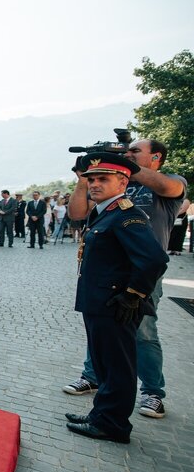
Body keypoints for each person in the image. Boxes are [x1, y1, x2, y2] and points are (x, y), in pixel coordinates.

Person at [63, 139, 187, 419]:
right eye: (126, 151)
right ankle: (94, 378)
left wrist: (119, 165)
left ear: (156, 157)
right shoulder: (110, 186)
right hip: (109, 273)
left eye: (135, 151)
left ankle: (152, 392)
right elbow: (77, 213)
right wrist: (88, 173)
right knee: (103, 332)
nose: (128, 153)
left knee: (142, 333)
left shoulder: (170, 181)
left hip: (140, 273)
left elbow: (154, 257)